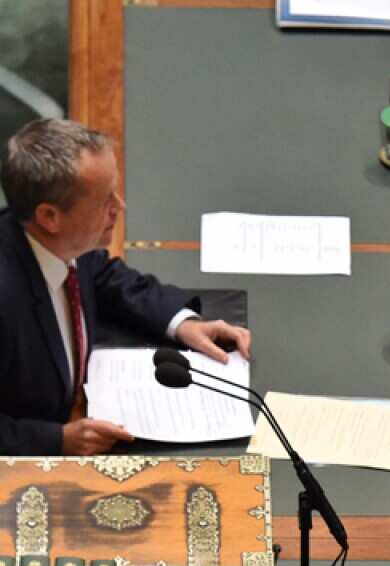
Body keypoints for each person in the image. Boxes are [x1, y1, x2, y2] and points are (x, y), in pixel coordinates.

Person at [0, 119, 251, 456]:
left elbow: (105, 278)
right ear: (49, 217)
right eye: (105, 200)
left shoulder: (65, 244)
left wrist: (184, 324)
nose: (120, 207)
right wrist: (56, 440)